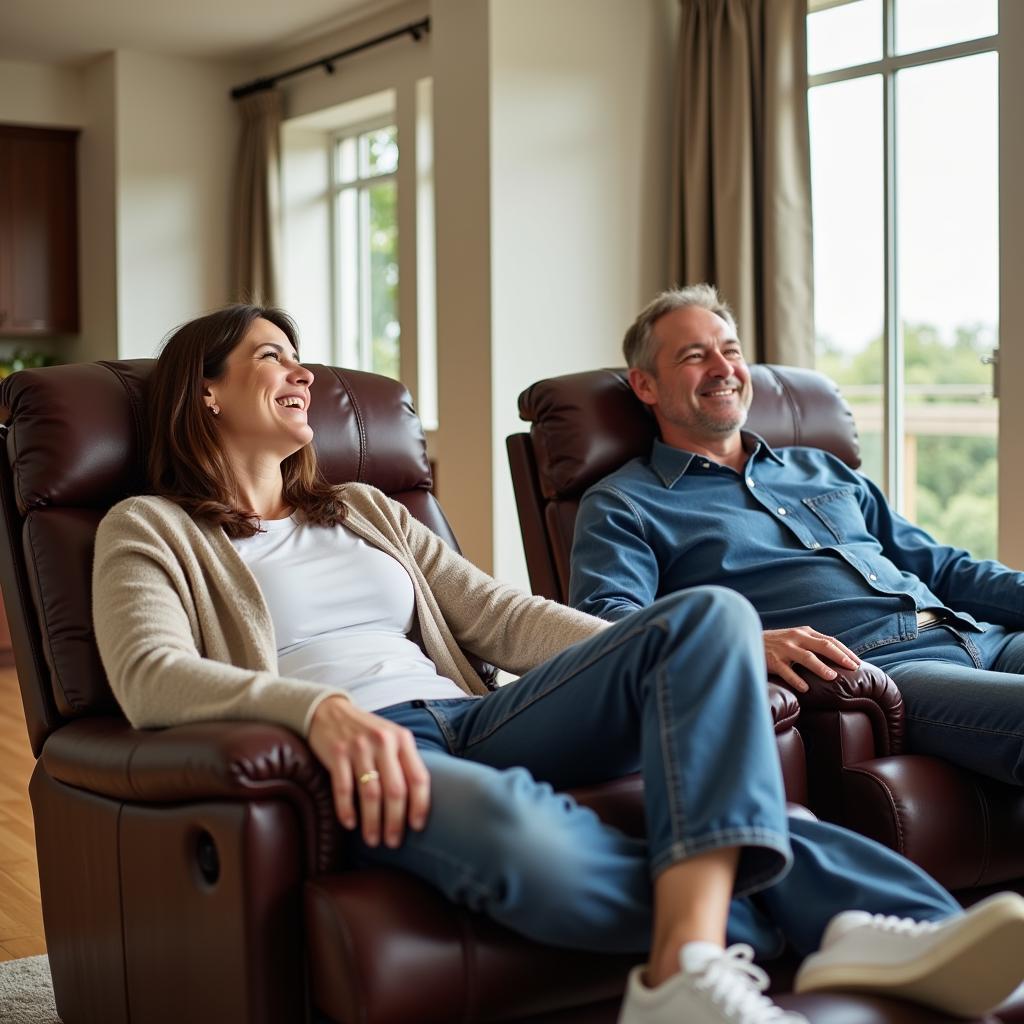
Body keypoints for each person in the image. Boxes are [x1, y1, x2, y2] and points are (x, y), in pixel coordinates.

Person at [92, 305, 1024, 1024]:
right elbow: (150, 675)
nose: (301, 372)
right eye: (271, 357)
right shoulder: (150, 526)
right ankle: (834, 926)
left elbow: (500, 616)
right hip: (369, 750)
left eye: (299, 355)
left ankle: (688, 970)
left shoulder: (363, 507)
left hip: (476, 714)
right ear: (204, 391)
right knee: (522, 836)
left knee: (710, 617)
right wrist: (313, 711)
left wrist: (672, 651)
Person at [570, 284, 1024, 789]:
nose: (723, 369)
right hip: (886, 671)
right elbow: (607, 623)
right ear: (646, 385)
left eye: (731, 351)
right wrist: (739, 642)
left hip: (979, 635)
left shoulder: (821, 468)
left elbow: (940, 566)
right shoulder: (624, 503)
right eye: (695, 356)